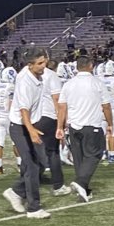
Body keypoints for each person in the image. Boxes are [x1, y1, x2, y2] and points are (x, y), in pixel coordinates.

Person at [2, 45, 51, 219]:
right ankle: (34, 208)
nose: (44, 66)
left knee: (42, 162)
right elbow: (24, 111)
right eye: (39, 63)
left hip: (30, 124)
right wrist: (31, 131)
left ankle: (16, 192)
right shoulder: (25, 83)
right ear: (30, 65)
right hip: (20, 127)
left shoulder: (32, 73)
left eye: (44, 61)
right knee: (31, 165)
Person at [56, 56, 113, 202]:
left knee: (79, 158)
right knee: (94, 155)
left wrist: (60, 127)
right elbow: (106, 105)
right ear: (91, 66)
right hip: (91, 124)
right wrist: (110, 123)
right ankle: (81, 183)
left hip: (74, 126)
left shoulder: (68, 84)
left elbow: (62, 107)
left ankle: (84, 191)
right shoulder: (97, 83)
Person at [35, 60, 71, 197]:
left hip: (32, 117)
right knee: (53, 152)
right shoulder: (51, 76)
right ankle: (58, 185)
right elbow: (57, 100)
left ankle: (33, 178)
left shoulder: (27, 74)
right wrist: (61, 122)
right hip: (47, 116)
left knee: (33, 151)